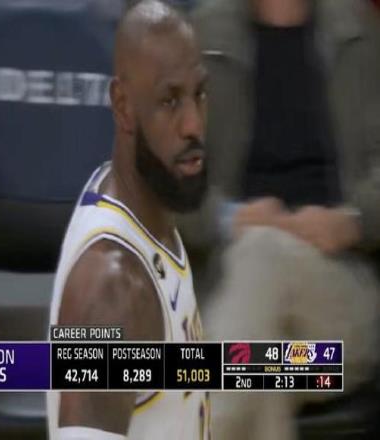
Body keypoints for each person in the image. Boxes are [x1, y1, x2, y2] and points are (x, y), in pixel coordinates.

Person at [184, 0, 380, 438]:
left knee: (262, 254)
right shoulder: (202, 37)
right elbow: (163, 187)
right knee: (258, 373)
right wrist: (229, 219)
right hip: (276, 342)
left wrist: (351, 221)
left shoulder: (359, 35)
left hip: (337, 312)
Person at [47, 1, 211, 439]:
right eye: (169, 101)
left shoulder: (143, 206)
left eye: (199, 94)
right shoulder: (112, 290)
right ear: (122, 106)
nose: (193, 124)